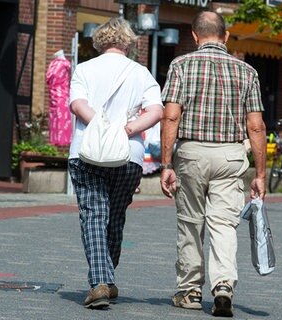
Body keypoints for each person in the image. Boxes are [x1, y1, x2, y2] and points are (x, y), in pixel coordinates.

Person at [160, 11, 266, 317]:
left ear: (194, 36)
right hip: (231, 155)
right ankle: (223, 285)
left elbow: (171, 116)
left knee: (191, 222)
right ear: (227, 36)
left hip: (192, 153)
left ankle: (190, 290)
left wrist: (166, 163)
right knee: (223, 223)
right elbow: (256, 126)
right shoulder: (247, 72)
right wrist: (260, 173)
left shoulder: (180, 65)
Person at [68, 17, 163, 309]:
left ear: (99, 41)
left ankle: (99, 282)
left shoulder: (84, 69)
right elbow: (156, 111)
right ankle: (107, 279)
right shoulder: (141, 72)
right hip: (128, 155)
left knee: (94, 215)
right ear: (127, 42)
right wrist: (128, 130)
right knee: (115, 215)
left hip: (88, 151)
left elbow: (77, 104)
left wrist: (101, 126)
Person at [46, 49, 72, 146]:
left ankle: (61, 140)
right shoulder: (58, 64)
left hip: (59, 95)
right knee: (57, 117)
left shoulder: (63, 64)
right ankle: (58, 140)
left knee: (60, 118)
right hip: (56, 95)